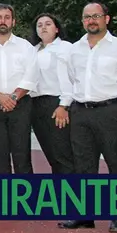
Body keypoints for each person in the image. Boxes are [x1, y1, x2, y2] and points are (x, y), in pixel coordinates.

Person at [59, 3, 117, 233]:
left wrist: (115, 103)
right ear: (82, 20)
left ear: (107, 18)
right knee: (83, 165)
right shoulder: (75, 50)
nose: (91, 20)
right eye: (87, 17)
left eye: (96, 16)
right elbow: (70, 79)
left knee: (116, 163)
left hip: (111, 111)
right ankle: (84, 215)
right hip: (80, 112)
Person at [0, 4, 38, 175]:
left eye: (7, 17)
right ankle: (3, 197)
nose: (2, 21)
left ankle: (26, 197)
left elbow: (31, 76)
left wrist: (12, 98)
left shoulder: (26, 47)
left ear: (13, 21)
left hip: (21, 104)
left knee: (22, 154)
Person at [28, 13, 75, 175]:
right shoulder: (33, 50)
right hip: (36, 106)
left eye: (48, 24)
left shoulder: (65, 48)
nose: (43, 27)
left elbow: (68, 78)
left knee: (63, 153)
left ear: (56, 28)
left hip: (57, 105)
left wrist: (64, 105)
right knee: (51, 155)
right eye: (39, 25)